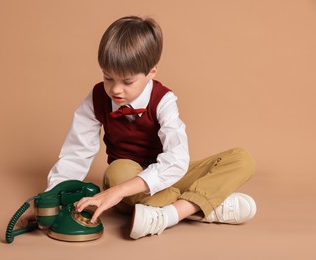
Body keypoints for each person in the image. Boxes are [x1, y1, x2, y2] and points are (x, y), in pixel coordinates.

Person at [25, 15, 257, 240]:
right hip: (128, 181)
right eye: (108, 78)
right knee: (117, 171)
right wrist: (52, 196)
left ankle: (171, 213)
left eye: (127, 82)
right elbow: (76, 153)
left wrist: (114, 194)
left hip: (165, 176)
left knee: (241, 159)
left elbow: (176, 160)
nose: (115, 90)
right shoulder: (96, 98)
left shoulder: (164, 100)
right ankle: (202, 203)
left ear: (151, 71)